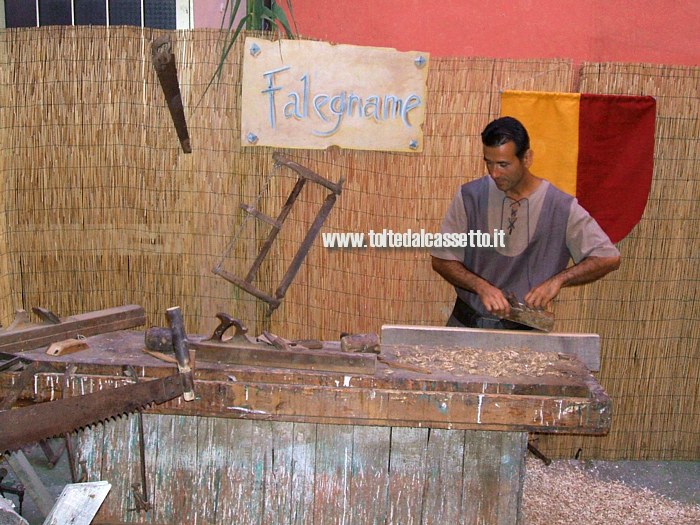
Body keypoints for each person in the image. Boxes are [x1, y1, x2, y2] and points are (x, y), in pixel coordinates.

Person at [430, 116, 621, 329]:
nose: (494, 173)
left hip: (526, 336)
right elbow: (441, 259)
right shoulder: (469, 197)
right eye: (489, 163)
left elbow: (608, 257)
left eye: (503, 164)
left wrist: (558, 280)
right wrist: (481, 286)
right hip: (466, 326)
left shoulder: (560, 206)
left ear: (527, 158)